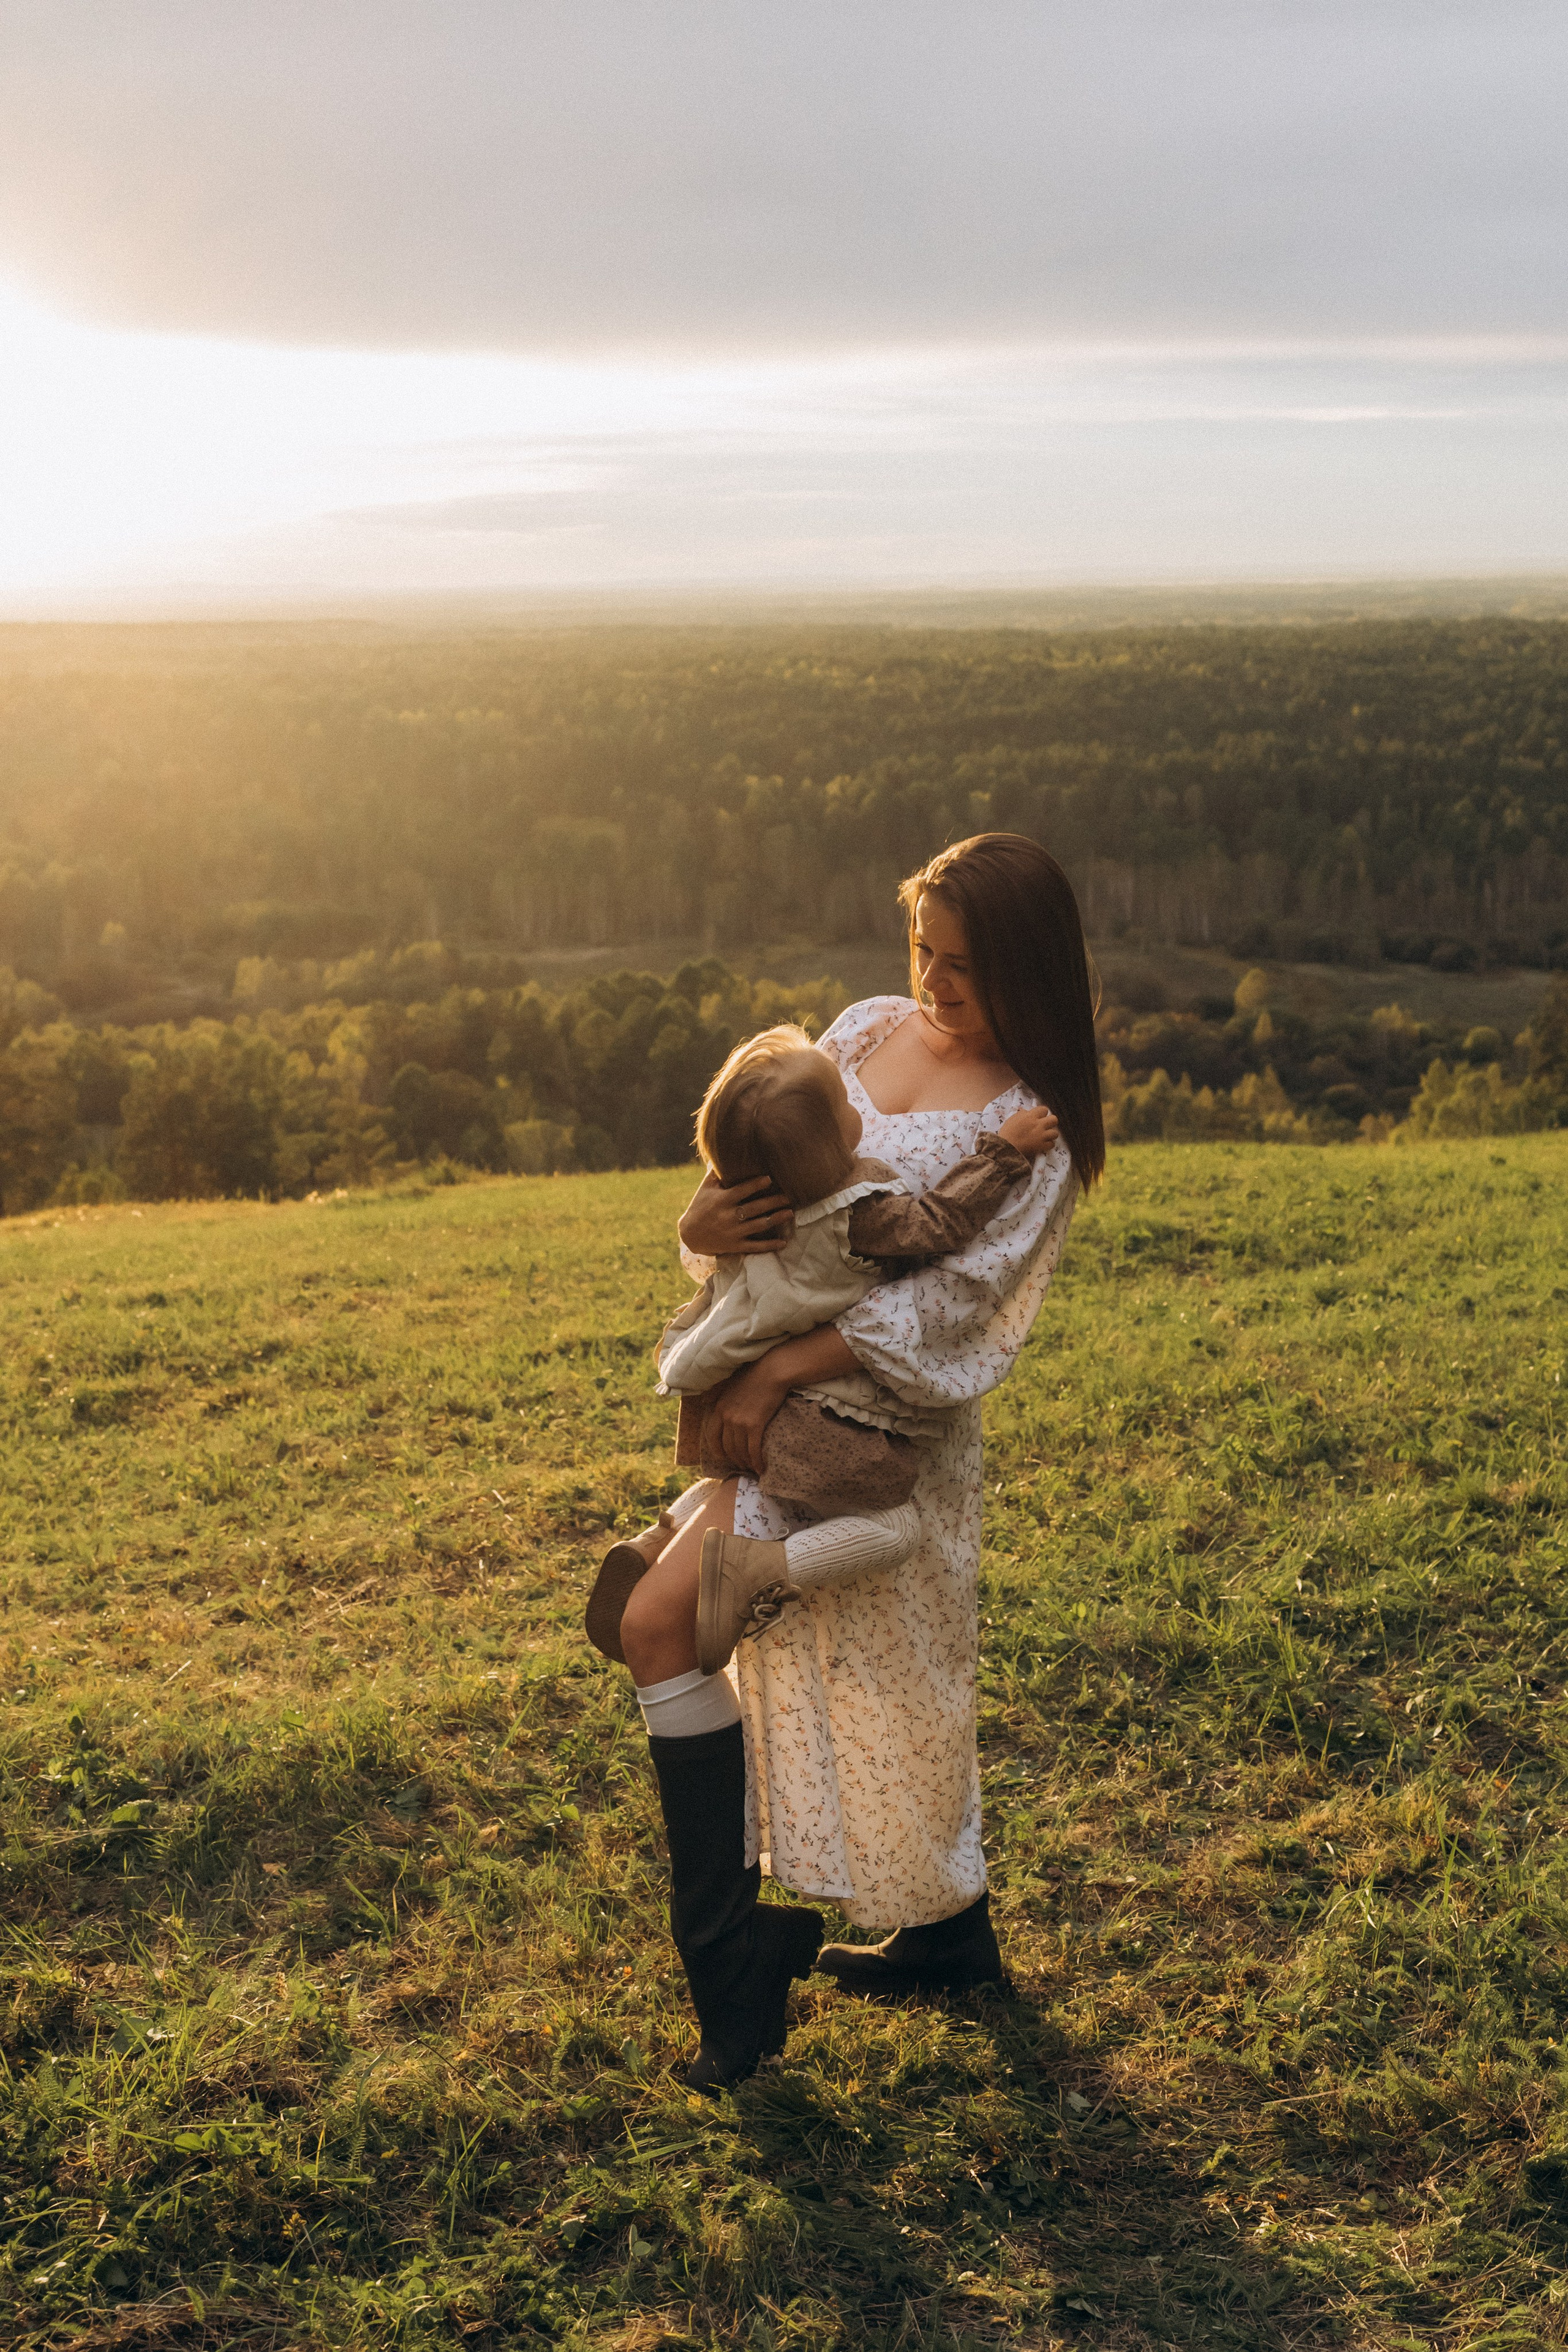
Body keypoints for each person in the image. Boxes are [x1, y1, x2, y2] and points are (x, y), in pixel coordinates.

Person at [612, 833, 1104, 2090]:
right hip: (764, 1417)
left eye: (965, 966)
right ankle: (925, 1937)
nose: (933, 986)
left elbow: (960, 1304)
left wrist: (780, 1367)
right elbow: (766, 1196)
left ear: (1030, 970)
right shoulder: (862, 1028)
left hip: (873, 1436)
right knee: (770, 1661)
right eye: (924, 952)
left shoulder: (1029, 1121)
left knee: (883, 1684)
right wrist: (696, 1226)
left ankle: (760, 1974)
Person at [585, 1022, 1061, 1675]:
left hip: (728, 1387)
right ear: (837, 1141)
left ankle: (658, 1537)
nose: (856, 1107)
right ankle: (758, 1570)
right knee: (896, 1527)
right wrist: (1003, 1154)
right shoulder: (854, 1219)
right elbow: (940, 1222)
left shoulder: (769, 1210)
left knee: (741, 1480)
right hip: (815, 1414)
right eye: (846, 1106)